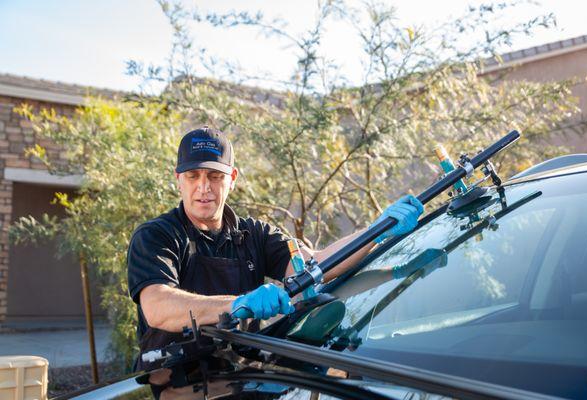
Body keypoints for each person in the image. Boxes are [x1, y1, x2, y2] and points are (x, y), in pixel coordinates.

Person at [127, 126, 424, 374]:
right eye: (193, 176)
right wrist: (238, 304)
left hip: (242, 379)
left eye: (214, 176)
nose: (203, 187)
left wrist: (379, 229)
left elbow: (319, 266)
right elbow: (158, 307)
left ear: (231, 179)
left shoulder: (254, 234)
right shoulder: (157, 236)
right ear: (178, 179)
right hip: (173, 383)